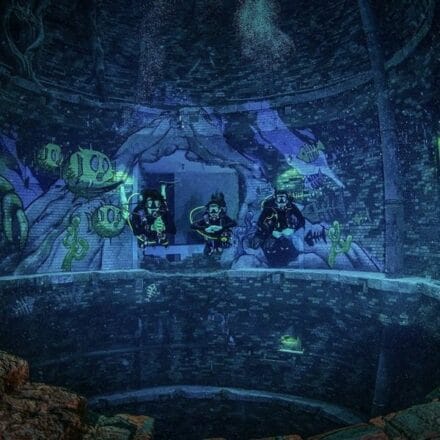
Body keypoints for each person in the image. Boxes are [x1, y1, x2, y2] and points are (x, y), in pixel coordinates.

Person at [253, 189, 305, 267]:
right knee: (269, 247)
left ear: (286, 197)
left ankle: (290, 260)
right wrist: (270, 232)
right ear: (275, 197)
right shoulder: (269, 207)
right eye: (279, 197)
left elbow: (301, 220)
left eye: (283, 197)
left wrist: (293, 230)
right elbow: (260, 222)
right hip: (271, 232)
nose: (281, 199)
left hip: (286, 231)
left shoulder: (291, 206)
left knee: (292, 245)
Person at [191, 192, 237, 256]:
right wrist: (205, 228)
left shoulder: (223, 217)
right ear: (208, 211)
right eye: (211, 210)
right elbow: (193, 225)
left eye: (215, 210)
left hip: (222, 240)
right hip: (210, 240)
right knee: (207, 252)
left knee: (224, 242)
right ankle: (211, 250)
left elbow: (234, 223)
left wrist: (222, 227)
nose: (213, 213)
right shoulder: (206, 219)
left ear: (219, 210)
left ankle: (221, 249)